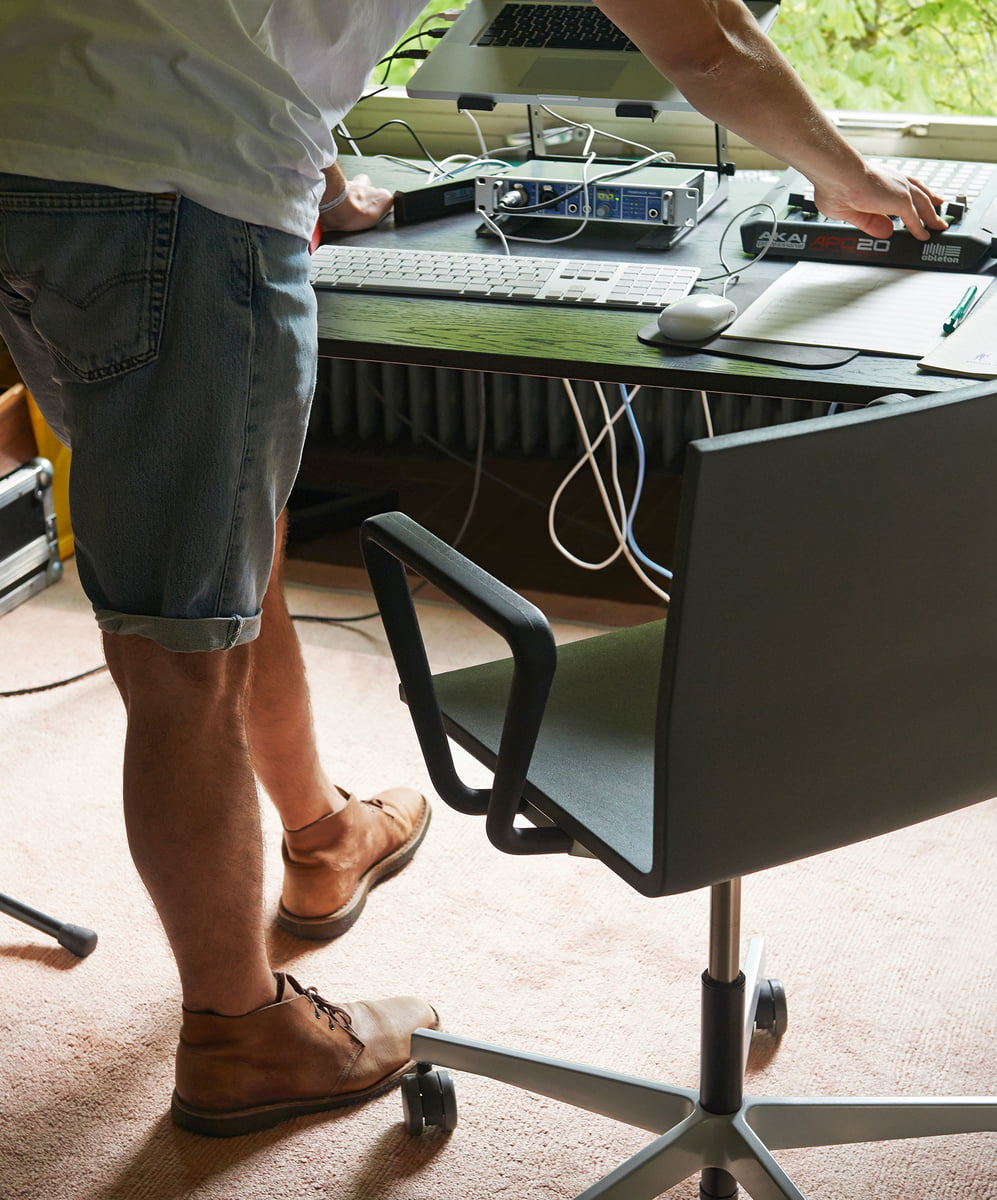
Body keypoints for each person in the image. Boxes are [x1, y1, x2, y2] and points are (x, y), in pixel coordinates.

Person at [0, 0, 945, 1139]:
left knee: (222, 544)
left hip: (35, 161)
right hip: (177, 194)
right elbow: (710, 42)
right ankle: (240, 1035)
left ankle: (321, 832)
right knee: (179, 651)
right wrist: (854, 182)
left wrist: (316, 174)